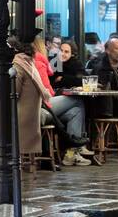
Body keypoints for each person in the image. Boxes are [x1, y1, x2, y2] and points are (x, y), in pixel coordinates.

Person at [33, 35, 87, 163]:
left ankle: (71, 152)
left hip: (42, 107)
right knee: (77, 101)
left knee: (76, 111)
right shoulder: (42, 63)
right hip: (41, 107)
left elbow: (80, 78)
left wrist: (61, 80)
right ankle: (75, 149)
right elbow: (49, 89)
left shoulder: (45, 63)